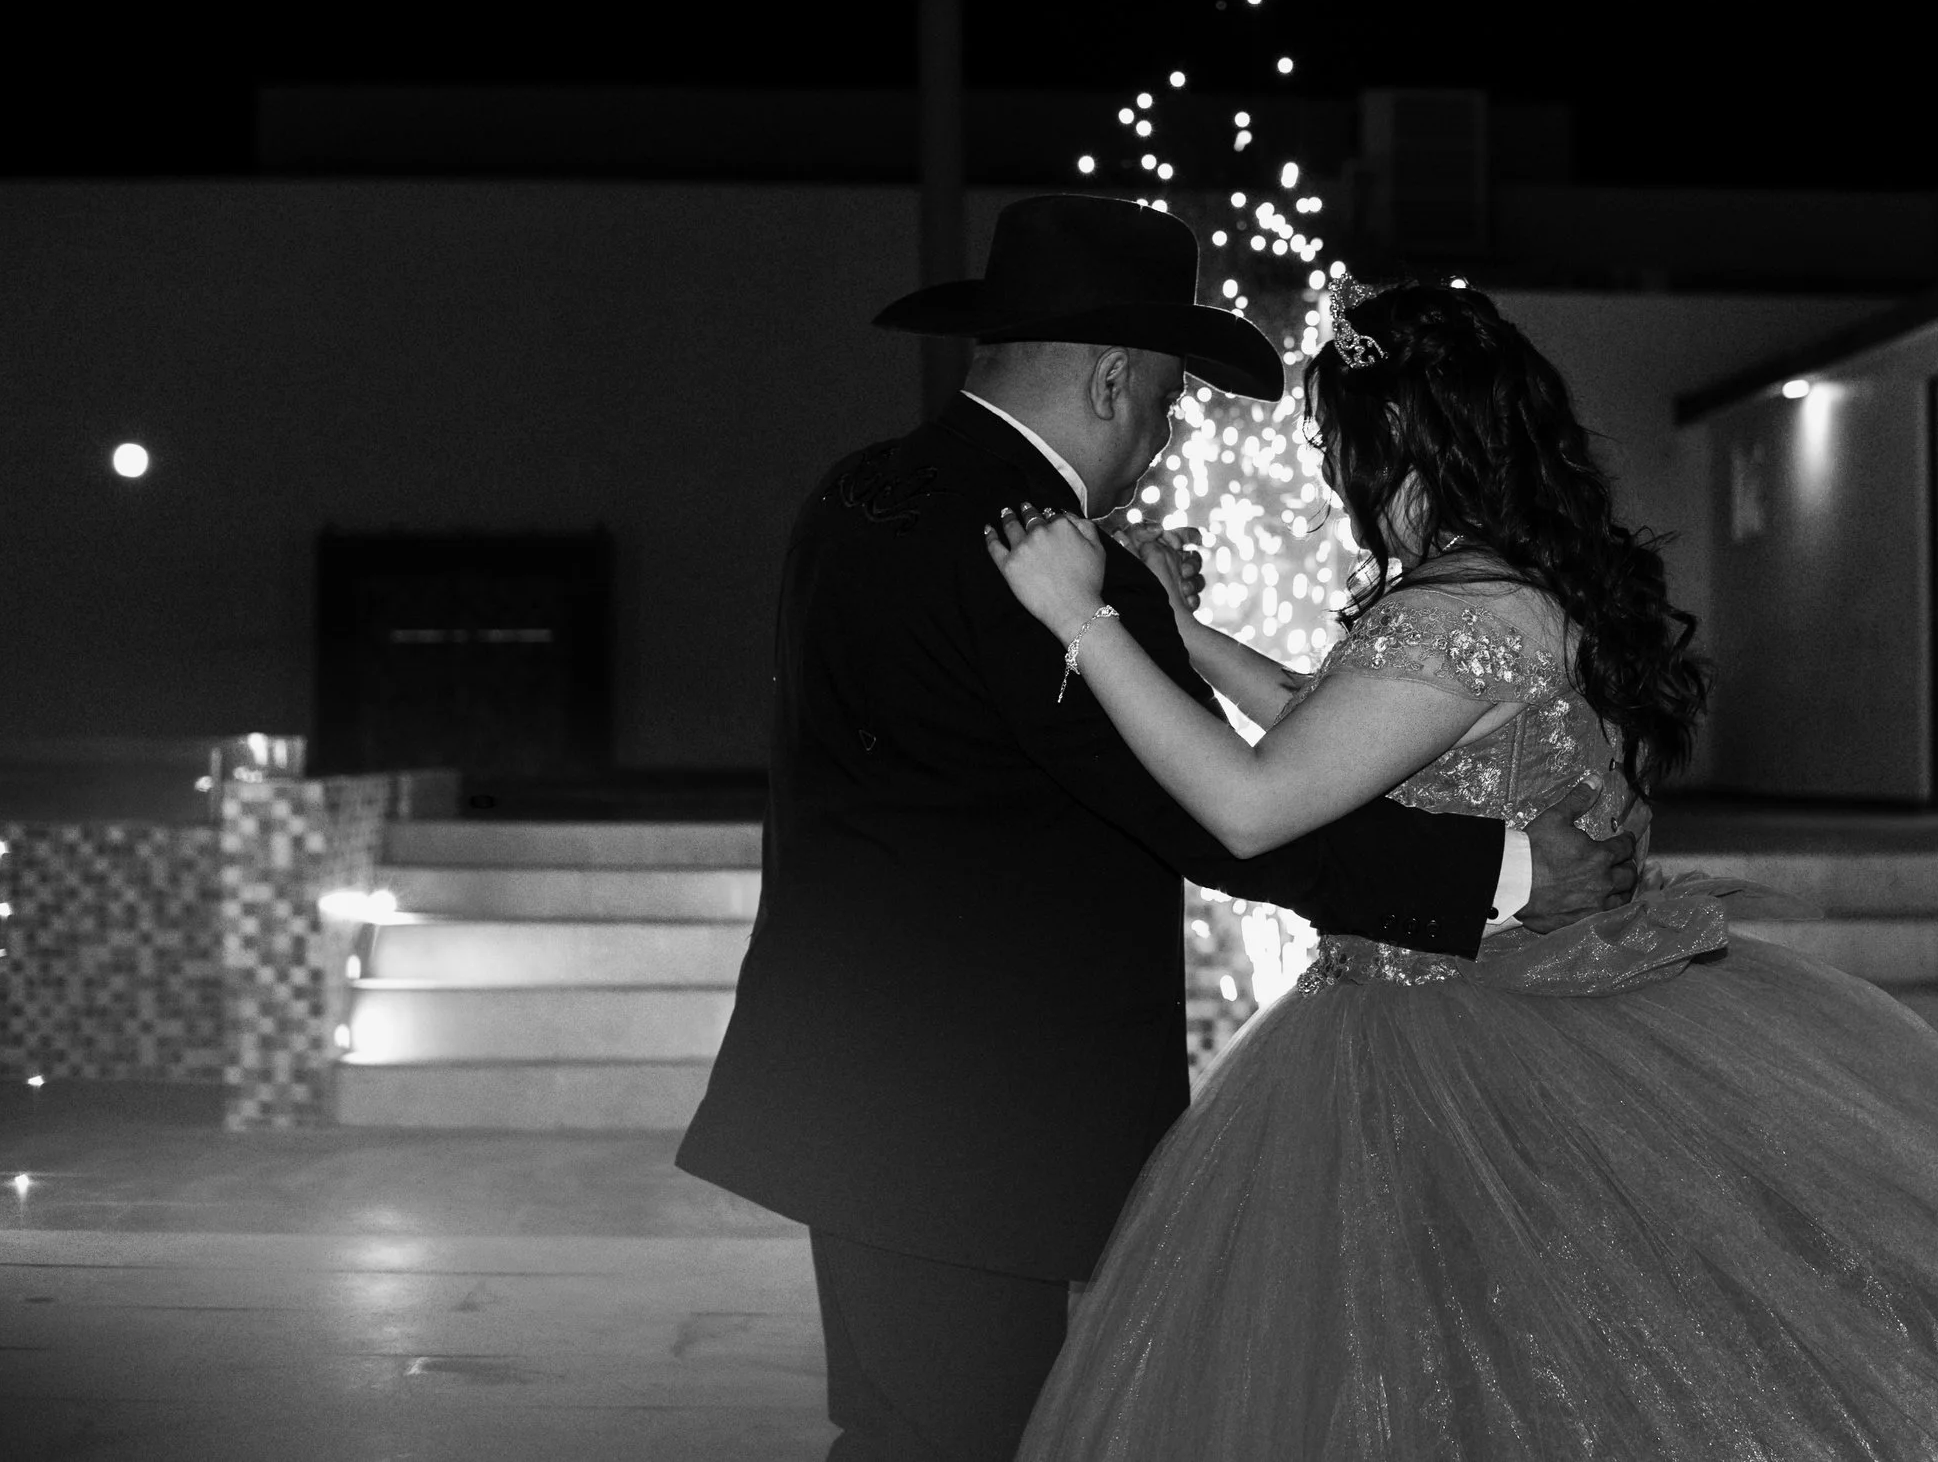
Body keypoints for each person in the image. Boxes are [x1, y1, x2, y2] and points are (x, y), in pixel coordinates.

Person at [987, 280, 1938, 1460]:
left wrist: (1086, 620)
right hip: (1501, 1010)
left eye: (1343, 446)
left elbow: (1250, 805)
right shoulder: (1495, 590)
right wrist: (1187, 629)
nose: (1341, 480)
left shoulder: (1459, 612)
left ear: (1394, 442)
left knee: (1480, 1369)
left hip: (1449, 1036)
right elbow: (1328, 722)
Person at [673, 196, 1644, 1462]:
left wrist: (1156, 621)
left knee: (899, 1419)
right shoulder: (1056, 560)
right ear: (1116, 375)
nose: (1172, 429)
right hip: (990, 1110)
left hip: (847, 1074)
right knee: (969, 1429)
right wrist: (1508, 871)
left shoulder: (855, 494)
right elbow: (1230, 816)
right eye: (1172, 398)